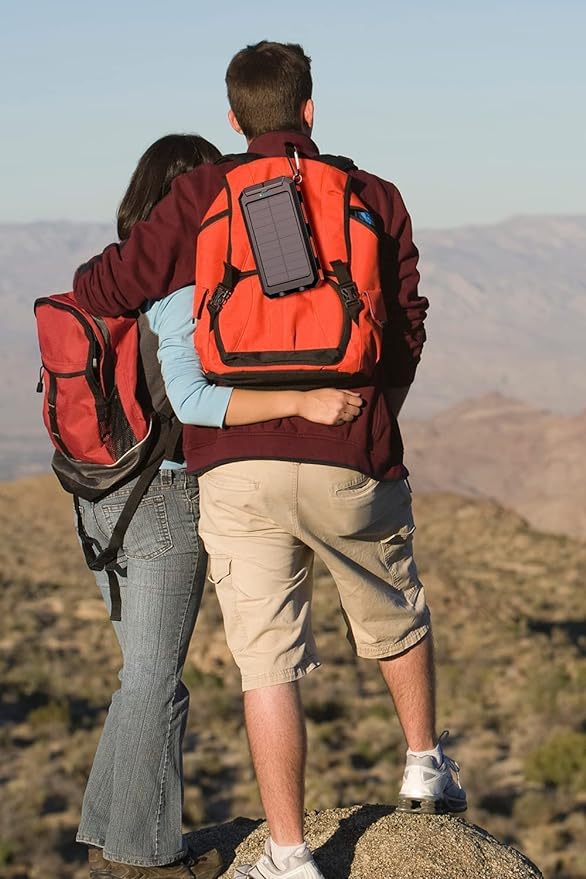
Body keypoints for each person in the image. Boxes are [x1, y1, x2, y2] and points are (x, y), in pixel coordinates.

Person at [72, 41, 467, 879]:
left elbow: (104, 289)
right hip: (349, 447)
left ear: (232, 118)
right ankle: (423, 762)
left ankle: (288, 853)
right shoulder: (374, 195)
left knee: (267, 661)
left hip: (235, 468)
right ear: (310, 109)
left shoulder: (202, 195)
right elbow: (406, 322)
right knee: (395, 609)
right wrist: (375, 414)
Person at [74, 132, 363, 879]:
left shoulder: (122, 280)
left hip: (100, 496)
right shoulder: (177, 293)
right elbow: (193, 402)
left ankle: (109, 832)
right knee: (156, 681)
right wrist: (299, 400)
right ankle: (144, 854)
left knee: (139, 675)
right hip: (162, 497)